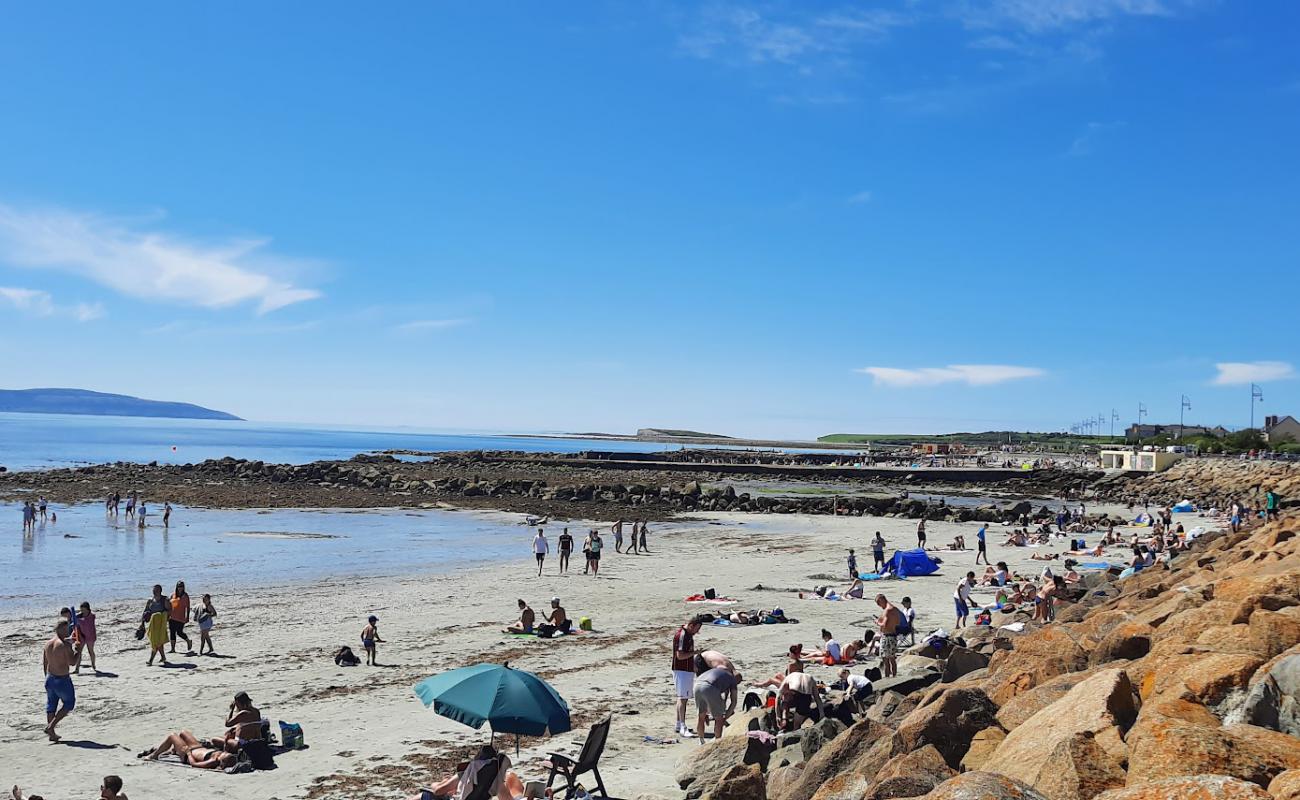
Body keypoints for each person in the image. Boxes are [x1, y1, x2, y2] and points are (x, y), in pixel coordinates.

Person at [42, 619, 76, 741]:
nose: (69, 631)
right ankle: (51, 727)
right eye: (67, 629)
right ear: (61, 629)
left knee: (51, 705)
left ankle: (52, 735)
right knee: (69, 703)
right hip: (62, 680)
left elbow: (45, 663)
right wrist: (77, 649)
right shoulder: (64, 645)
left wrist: (46, 677)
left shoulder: (48, 643)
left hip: (50, 678)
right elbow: (72, 662)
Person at [139, 730, 237, 769]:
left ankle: (154, 755)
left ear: (222, 761)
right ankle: (171, 750)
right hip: (198, 747)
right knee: (183, 733)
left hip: (187, 755)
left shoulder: (213, 761)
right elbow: (226, 750)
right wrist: (227, 741)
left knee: (172, 736)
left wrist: (188, 754)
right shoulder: (221, 755)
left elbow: (194, 764)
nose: (225, 753)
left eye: (225, 755)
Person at [672, 616, 703, 738]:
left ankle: (679, 724)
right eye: (696, 628)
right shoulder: (682, 635)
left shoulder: (688, 635)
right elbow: (680, 656)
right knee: (682, 698)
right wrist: (695, 653)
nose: (697, 632)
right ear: (691, 625)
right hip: (681, 670)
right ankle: (683, 727)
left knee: (682, 697)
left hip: (686, 669)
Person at [693, 663, 739, 742]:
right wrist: (725, 718)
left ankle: (701, 740)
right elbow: (734, 701)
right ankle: (717, 742)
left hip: (697, 685)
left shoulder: (715, 672)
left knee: (701, 716)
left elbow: (719, 697)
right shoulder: (731, 678)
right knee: (719, 719)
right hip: (710, 686)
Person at [776, 666, 824, 731]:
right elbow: (817, 698)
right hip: (806, 697)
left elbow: (778, 696)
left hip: (794, 693)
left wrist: (778, 715)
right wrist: (821, 713)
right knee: (796, 725)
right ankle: (795, 729)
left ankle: (784, 719)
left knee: (785, 697)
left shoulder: (791, 675)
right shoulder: (810, 677)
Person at [13, 775, 126, 800]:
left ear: (110, 791)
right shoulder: (122, 797)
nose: (101, 788)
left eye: (103, 787)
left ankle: (21, 797)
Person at [142, 585, 170, 666]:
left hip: (161, 625)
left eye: (156, 590)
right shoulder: (150, 601)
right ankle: (163, 657)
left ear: (160, 591)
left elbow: (169, 610)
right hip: (152, 625)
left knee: (156, 642)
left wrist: (164, 617)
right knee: (158, 641)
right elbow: (145, 612)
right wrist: (142, 624)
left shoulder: (165, 599)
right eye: (153, 590)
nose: (154, 592)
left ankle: (151, 660)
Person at [875, 594, 901, 678]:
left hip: (887, 637)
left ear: (881, 600)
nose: (879, 606)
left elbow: (884, 625)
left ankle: (886, 678)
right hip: (893, 636)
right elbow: (897, 623)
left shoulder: (887, 610)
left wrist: (877, 622)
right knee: (892, 659)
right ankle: (894, 676)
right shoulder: (895, 609)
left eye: (878, 604)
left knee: (885, 660)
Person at [169, 581, 193, 654]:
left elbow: (188, 607)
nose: (180, 588)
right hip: (172, 617)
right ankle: (173, 649)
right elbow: (169, 606)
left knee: (179, 632)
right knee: (172, 632)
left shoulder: (185, 596)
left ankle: (188, 641)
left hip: (180, 617)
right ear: (177, 587)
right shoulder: (173, 595)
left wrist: (187, 617)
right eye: (179, 586)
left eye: (181, 586)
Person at [73, 601, 97, 674]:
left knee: (91, 651)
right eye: (81, 609)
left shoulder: (92, 616)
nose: (82, 611)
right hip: (81, 636)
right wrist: (74, 617)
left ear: (88, 609)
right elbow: (73, 621)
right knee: (79, 652)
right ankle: (77, 669)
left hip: (91, 636)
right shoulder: (79, 616)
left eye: (83, 609)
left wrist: (78, 619)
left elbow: (86, 622)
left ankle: (93, 664)